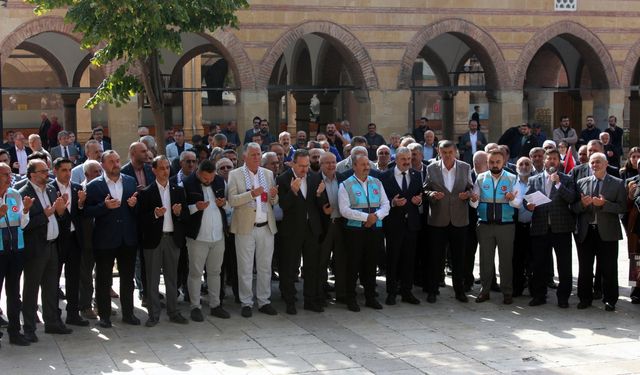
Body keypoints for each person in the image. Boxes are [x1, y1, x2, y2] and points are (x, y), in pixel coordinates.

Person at [85, 150, 140, 328]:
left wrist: (134, 206)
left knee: (127, 279)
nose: (116, 164)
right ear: (103, 165)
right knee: (103, 280)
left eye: (117, 161)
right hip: (105, 240)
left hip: (127, 239)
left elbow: (138, 209)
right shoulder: (94, 186)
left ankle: (129, 313)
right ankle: (104, 316)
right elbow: (86, 212)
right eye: (111, 162)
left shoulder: (130, 181)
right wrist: (104, 206)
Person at [20, 159, 71, 342]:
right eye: (42, 171)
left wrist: (60, 210)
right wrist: (46, 214)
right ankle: (29, 328)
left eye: (47, 170)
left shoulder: (50, 189)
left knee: (51, 287)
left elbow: (56, 214)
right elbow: (24, 225)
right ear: (32, 174)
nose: (46, 174)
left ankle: (52, 323)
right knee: (31, 289)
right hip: (35, 248)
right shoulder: (23, 193)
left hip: (52, 246)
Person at [228, 143, 279, 317]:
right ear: (245, 157)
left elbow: (273, 200)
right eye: (253, 154)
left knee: (265, 267)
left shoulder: (268, 174)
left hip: (266, 226)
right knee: (245, 267)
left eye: (259, 154)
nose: (257, 157)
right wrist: (251, 194)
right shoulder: (235, 175)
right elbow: (232, 200)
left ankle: (264, 301)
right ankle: (246, 302)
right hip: (245, 228)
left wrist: (273, 195)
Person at [138, 156, 189, 327]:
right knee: (152, 280)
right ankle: (153, 314)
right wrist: (154, 215)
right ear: (154, 170)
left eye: (167, 167)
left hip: (172, 239)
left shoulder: (178, 190)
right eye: (161, 168)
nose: (165, 171)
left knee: (172, 278)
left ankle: (173, 312)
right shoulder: (146, 192)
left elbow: (186, 216)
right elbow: (140, 220)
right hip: (154, 241)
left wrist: (178, 213)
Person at [575, 152, 626, 311]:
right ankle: (584, 298)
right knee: (585, 267)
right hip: (586, 232)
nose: (595, 165)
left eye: (598, 162)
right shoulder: (581, 182)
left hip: (608, 232)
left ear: (605, 164)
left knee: (609, 268)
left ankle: (610, 299)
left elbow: (622, 208)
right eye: (592, 162)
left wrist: (604, 204)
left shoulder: (617, 183)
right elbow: (573, 207)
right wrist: (583, 205)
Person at [525, 149, 576, 308]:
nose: (552, 161)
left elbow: (571, 198)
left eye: (555, 159)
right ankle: (539, 295)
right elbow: (527, 200)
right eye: (549, 159)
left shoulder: (566, 179)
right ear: (544, 161)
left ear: (558, 162)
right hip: (540, 228)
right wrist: (529, 206)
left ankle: (563, 297)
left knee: (564, 264)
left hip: (561, 228)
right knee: (539, 264)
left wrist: (558, 183)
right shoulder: (534, 180)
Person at [424, 140, 473, 303]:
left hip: (459, 219)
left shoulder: (465, 167)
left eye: (450, 152)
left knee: (459, 258)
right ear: (439, 152)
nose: (447, 156)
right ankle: (432, 290)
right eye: (444, 153)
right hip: (438, 219)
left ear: (455, 152)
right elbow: (426, 188)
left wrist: (467, 194)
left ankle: (460, 291)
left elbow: (470, 187)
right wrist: (431, 195)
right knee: (435, 257)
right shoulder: (431, 168)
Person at [339, 154, 390, 312]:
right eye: (363, 164)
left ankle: (370, 297)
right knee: (353, 264)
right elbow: (344, 210)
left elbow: (386, 204)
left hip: (374, 230)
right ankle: (351, 298)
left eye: (368, 164)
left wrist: (375, 217)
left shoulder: (377, 182)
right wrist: (366, 217)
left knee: (370, 264)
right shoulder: (345, 185)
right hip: (354, 231)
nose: (367, 167)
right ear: (354, 166)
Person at [470, 149, 521, 304]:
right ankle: (484, 291)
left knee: (505, 261)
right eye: (491, 162)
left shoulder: (512, 178)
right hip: (485, 225)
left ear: (503, 162)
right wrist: (473, 199)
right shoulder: (480, 178)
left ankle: (507, 292)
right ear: (487, 162)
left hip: (505, 225)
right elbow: (474, 204)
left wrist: (512, 199)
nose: (494, 165)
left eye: (498, 162)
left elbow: (518, 203)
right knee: (485, 260)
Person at [277, 149, 324, 314]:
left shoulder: (314, 177)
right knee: (290, 267)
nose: (305, 169)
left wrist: (319, 194)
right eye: (302, 166)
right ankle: (290, 301)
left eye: (307, 165)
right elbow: (282, 205)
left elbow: (319, 205)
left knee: (311, 266)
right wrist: (293, 191)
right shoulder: (283, 179)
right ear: (293, 163)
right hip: (291, 231)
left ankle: (310, 300)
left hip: (311, 229)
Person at [380, 146, 422, 305]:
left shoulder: (416, 175)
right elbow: (381, 200)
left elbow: (420, 195)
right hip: (393, 224)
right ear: (396, 159)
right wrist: (393, 202)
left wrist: (419, 201)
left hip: (411, 224)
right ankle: (391, 292)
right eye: (403, 159)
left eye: (409, 159)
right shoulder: (385, 176)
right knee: (392, 260)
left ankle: (407, 291)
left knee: (409, 260)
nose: (406, 162)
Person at [51, 158, 89, 327]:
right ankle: (54, 315)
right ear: (55, 171)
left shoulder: (77, 188)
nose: (67, 174)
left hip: (74, 239)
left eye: (69, 170)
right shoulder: (50, 189)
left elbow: (82, 215)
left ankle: (73, 313)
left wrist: (81, 204)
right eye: (64, 170)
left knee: (73, 278)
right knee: (53, 279)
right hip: (57, 240)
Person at [0, 162, 31, 346]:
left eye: (9, 173)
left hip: (15, 249)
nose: (9, 177)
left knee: (14, 292)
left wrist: (26, 211)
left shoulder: (14, 194)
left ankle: (15, 332)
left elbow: (23, 223)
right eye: (5, 174)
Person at [317, 152, 346, 303]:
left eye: (334, 162)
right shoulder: (314, 180)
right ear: (321, 165)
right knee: (322, 261)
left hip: (341, 224)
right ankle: (321, 293)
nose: (331, 165)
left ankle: (341, 293)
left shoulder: (343, 179)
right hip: (324, 226)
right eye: (327, 163)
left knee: (341, 260)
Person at [78, 160, 102, 321]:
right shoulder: (79, 190)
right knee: (85, 275)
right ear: (87, 174)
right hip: (86, 240)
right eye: (96, 172)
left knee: (102, 274)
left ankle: (101, 304)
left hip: (103, 239)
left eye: (100, 171)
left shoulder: (103, 187)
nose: (99, 174)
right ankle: (85, 306)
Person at [513, 156, 533, 297]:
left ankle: (534, 290)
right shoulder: (511, 182)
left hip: (534, 227)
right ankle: (517, 288)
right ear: (516, 167)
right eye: (521, 164)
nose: (524, 166)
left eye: (527, 164)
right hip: (516, 227)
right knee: (516, 259)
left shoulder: (537, 181)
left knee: (533, 260)